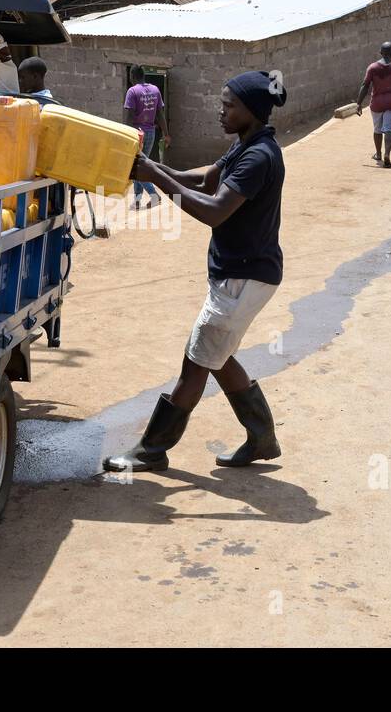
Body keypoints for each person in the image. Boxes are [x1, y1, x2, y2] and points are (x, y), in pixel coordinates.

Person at [103, 71, 286, 473]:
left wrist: (155, 180)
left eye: (229, 105)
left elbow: (213, 210)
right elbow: (201, 179)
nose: (221, 110)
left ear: (252, 111)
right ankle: (262, 437)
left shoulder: (258, 157)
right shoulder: (246, 145)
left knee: (196, 362)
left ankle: (152, 450)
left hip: (243, 278)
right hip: (241, 275)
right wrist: (151, 168)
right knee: (216, 357)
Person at [356, 42, 391, 168]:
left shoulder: (372, 67)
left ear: (380, 53)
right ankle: (387, 154)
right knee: (389, 130)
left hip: (377, 103)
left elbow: (365, 85)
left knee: (377, 129)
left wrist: (358, 103)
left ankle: (378, 154)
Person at [122, 65, 170, 209]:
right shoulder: (155, 90)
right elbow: (160, 114)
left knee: (136, 168)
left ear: (132, 76)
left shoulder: (132, 91)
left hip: (137, 133)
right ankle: (137, 201)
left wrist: (125, 135)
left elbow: (129, 116)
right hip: (150, 132)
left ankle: (154, 195)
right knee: (138, 166)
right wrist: (166, 134)